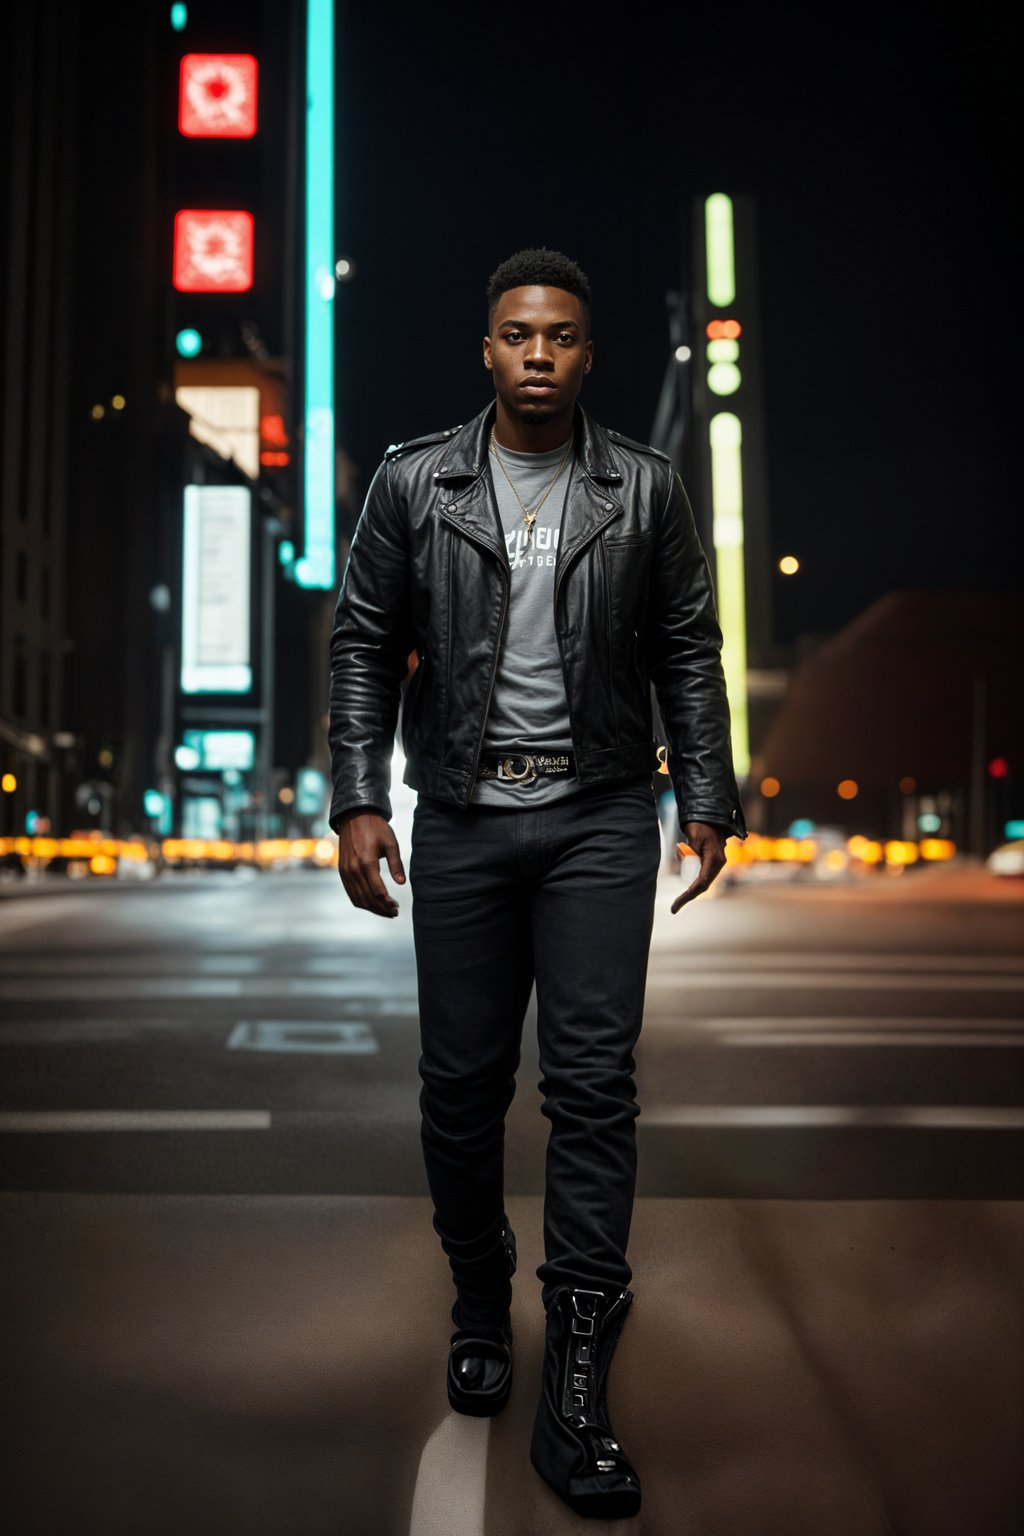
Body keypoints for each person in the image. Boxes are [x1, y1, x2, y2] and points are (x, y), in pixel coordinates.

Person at [328, 247, 747, 1520]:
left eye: (561, 336)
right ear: (488, 347)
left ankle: (575, 1380)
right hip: (457, 811)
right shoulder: (415, 482)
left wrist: (709, 798)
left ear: (586, 351)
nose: (539, 354)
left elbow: (688, 644)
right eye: (518, 334)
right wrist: (357, 798)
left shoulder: (646, 489)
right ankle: (476, 1289)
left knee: (593, 1087)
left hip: (599, 816)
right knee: (458, 1093)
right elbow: (360, 641)